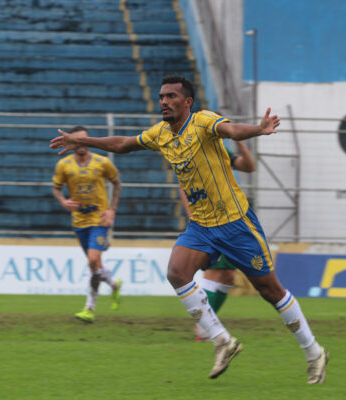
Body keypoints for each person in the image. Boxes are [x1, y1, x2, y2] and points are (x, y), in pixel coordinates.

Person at [50, 76, 328, 383]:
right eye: (161, 97)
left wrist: (259, 129)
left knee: (270, 291)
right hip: (202, 226)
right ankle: (222, 340)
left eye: (171, 96)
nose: (164, 101)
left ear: (187, 102)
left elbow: (232, 130)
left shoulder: (203, 122)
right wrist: (83, 141)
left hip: (236, 223)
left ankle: (313, 351)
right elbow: (125, 144)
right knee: (176, 273)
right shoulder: (161, 134)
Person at [178, 140, 256, 341]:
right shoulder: (195, 149)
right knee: (214, 274)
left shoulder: (223, 150)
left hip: (230, 220)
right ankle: (204, 328)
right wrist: (193, 217)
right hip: (210, 222)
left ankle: (206, 325)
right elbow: (183, 186)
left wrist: (240, 143)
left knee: (229, 278)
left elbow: (249, 167)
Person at [52, 126, 123, 323]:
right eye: (76, 140)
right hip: (79, 221)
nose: (81, 143)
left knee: (92, 260)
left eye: (84, 139)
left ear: (88, 140)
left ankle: (89, 308)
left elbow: (117, 183)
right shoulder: (64, 165)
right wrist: (63, 201)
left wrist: (112, 210)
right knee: (96, 266)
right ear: (71, 142)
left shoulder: (102, 162)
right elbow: (56, 189)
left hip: (100, 218)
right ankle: (114, 284)